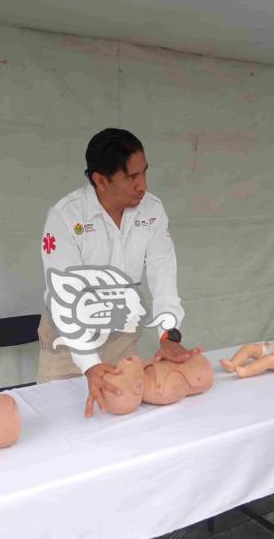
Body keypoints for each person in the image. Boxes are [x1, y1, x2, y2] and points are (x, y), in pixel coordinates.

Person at [39, 128, 200, 417]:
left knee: (124, 424)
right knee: (65, 424)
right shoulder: (66, 217)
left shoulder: (152, 210)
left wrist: (168, 335)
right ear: (100, 180)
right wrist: (89, 364)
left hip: (122, 337)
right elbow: (63, 295)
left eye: (144, 173)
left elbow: (163, 273)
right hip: (68, 344)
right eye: (131, 177)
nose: (143, 186)